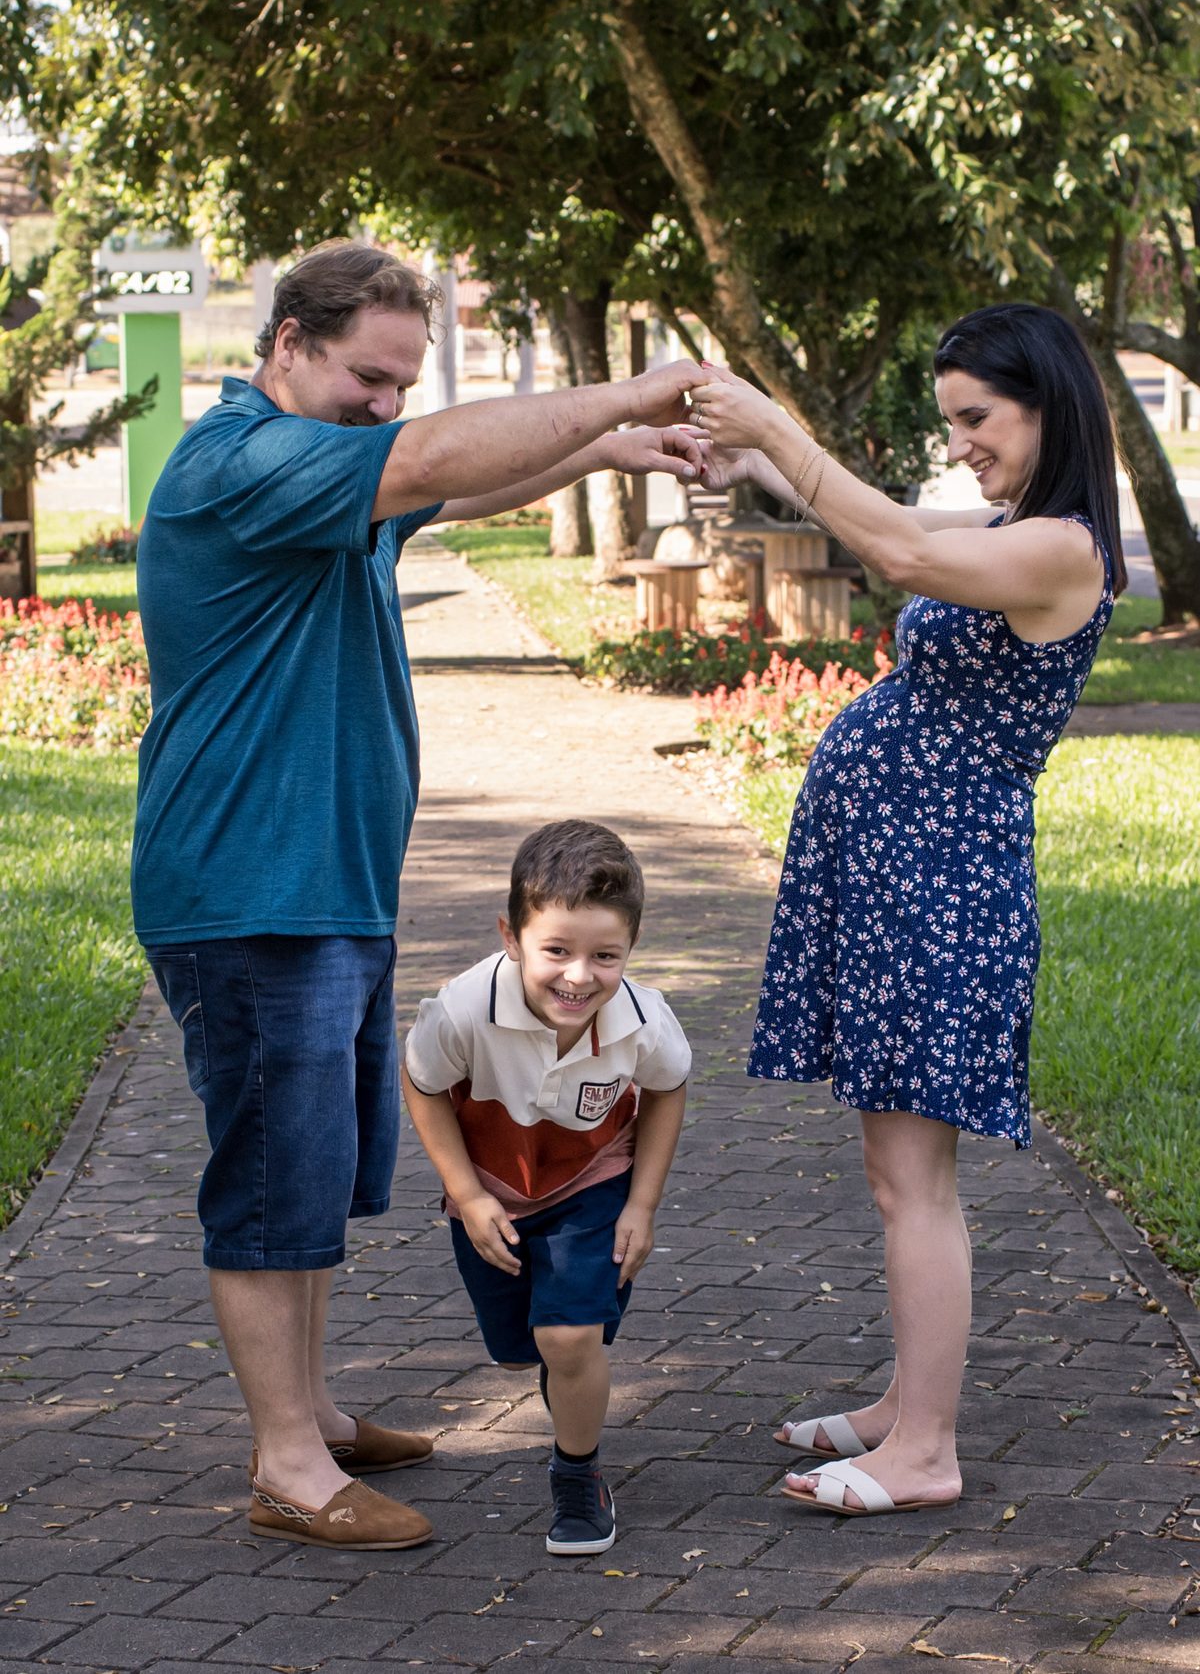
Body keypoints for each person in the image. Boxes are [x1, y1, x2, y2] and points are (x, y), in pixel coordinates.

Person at [132, 242, 704, 1552]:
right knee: (272, 1183)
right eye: (367, 379)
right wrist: (628, 397)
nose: (386, 406)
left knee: (316, 1174)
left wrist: (598, 458)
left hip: (321, 887)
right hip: (248, 892)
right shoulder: (244, 461)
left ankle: (314, 1409)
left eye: (404, 384)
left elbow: (453, 487)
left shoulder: (316, 468)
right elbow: (437, 458)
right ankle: (287, 1460)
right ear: (287, 340)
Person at [686, 303, 1126, 1518]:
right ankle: (901, 1404)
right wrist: (761, 461)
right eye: (953, 423)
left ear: (1048, 405)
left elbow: (899, 554)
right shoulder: (1009, 526)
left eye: (977, 419)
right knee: (896, 1170)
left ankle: (924, 1448)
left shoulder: (1063, 551)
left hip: (945, 890)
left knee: (913, 1181)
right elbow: (893, 522)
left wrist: (777, 419)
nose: (964, 445)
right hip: (902, 880)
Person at [401, 820, 690, 1553]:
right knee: (518, 1349)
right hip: (495, 1187)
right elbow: (422, 1082)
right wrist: (466, 1194)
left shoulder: (644, 1022)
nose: (578, 975)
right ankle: (571, 1362)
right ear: (512, 937)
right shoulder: (464, 1009)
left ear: (631, 950)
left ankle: (578, 1471)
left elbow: (668, 1088)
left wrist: (643, 1204)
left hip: (594, 1182)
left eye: (605, 955)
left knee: (567, 1335)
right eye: (555, 949)